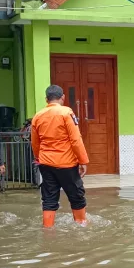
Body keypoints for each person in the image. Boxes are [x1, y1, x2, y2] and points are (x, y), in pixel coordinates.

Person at [31, 85, 90, 228]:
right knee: (76, 196)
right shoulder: (66, 113)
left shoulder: (37, 116)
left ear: (46, 99)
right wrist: (83, 160)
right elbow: (76, 139)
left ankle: (48, 230)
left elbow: (35, 142)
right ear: (62, 97)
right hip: (66, 163)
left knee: (49, 198)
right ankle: (82, 226)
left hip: (45, 163)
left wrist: (40, 158)